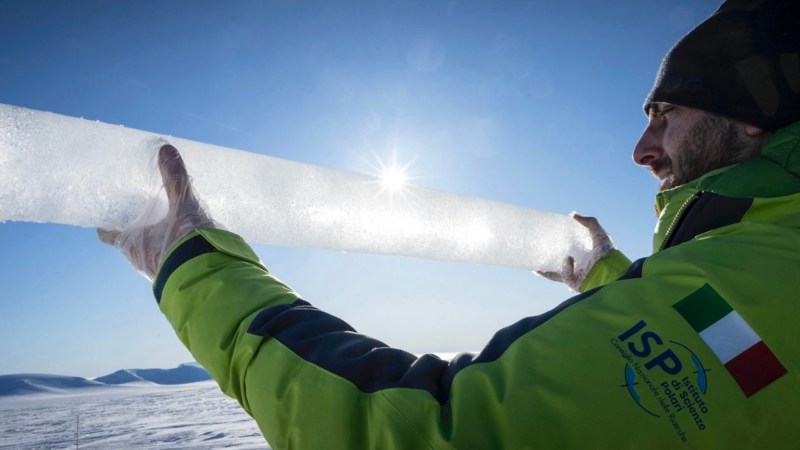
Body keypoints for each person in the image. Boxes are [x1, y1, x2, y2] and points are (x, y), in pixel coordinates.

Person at [100, 1, 800, 448]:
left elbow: (422, 433)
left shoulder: (753, 272)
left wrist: (194, 266)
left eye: (666, 114)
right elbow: (742, 352)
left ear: (751, 115)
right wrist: (610, 277)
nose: (642, 151)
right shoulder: (762, 261)